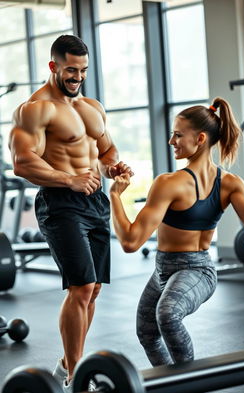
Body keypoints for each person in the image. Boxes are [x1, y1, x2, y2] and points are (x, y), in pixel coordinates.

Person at [9, 34, 133, 392]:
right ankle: (78, 374)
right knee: (80, 287)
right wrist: (69, 179)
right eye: (71, 70)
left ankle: (68, 361)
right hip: (60, 202)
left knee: (92, 291)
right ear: (53, 66)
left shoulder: (92, 107)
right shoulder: (34, 110)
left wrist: (114, 168)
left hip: (94, 202)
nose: (77, 77)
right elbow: (22, 163)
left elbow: (106, 150)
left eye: (83, 70)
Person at [109, 97, 244, 367]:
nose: (171, 141)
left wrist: (115, 197)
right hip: (162, 269)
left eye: (177, 135)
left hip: (198, 270)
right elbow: (132, 242)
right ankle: (170, 384)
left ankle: (190, 383)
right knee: (147, 331)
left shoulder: (221, 184)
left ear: (200, 139)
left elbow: (130, 242)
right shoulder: (213, 183)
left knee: (167, 315)